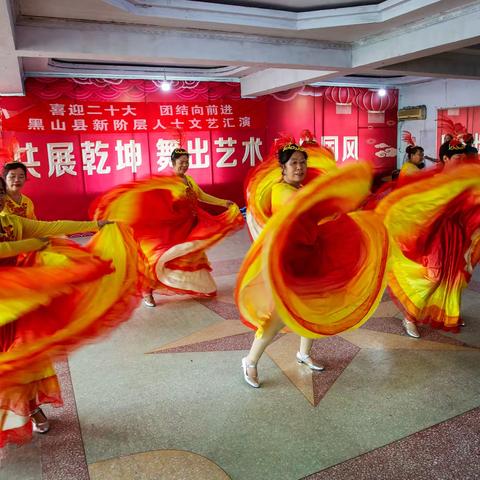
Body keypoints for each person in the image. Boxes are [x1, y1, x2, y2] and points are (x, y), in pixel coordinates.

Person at [237, 144, 389, 388]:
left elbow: (314, 211)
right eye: (293, 163)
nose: (299, 167)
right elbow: (305, 208)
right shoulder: (281, 191)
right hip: (287, 263)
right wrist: (339, 197)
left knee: (313, 306)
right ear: (283, 168)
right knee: (277, 316)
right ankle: (250, 360)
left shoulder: (301, 189)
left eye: (302, 162)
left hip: (310, 255)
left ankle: (303, 353)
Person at [0, 176, 117, 445]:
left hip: (18, 301)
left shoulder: (12, 222)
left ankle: (30, 409)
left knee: (25, 358)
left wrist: (95, 224)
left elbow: (51, 226)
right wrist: (30, 244)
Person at [92, 147, 243, 308]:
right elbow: (154, 204)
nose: (184, 165)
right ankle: (147, 291)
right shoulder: (167, 184)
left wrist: (224, 202)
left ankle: (194, 285)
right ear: (173, 163)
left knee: (189, 257)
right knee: (160, 259)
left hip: (190, 227)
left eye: (187, 162)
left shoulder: (189, 179)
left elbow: (202, 196)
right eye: (181, 162)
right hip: (171, 230)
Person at [376, 143, 480, 338]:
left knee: (455, 277)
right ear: (446, 159)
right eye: (458, 159)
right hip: (436, 237)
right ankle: (410, 317)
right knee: (433, 278)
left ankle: (451, 314)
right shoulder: (434, 180)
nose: (462, 163)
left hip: (457, 237)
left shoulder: (464, 180)